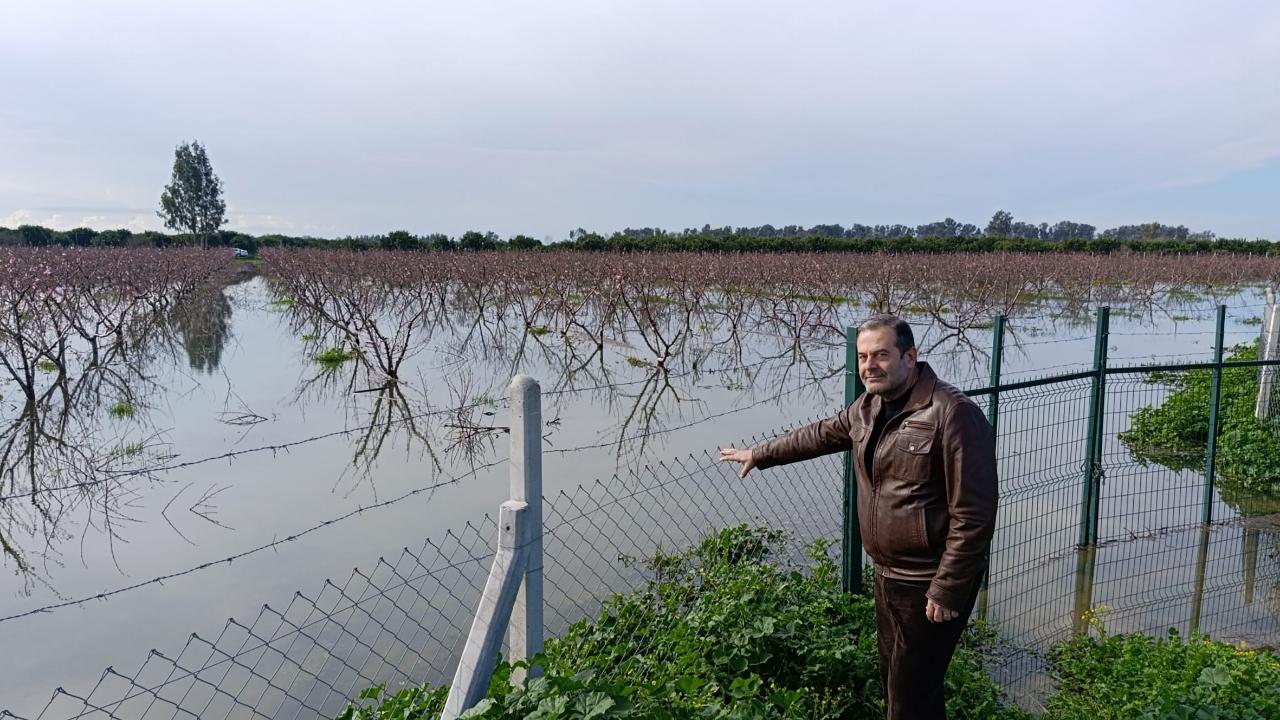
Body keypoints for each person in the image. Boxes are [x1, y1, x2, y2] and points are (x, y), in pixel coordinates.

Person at [719, 314, 997, 719]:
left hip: (928, 581)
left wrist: (947, 587)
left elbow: (974, 513)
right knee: (902, 688)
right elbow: (818, 434)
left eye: (882, 355)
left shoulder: (952, 413)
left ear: (910, 356)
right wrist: (760, 454)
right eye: (864, 356)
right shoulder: (867, 408)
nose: (870, 366)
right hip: (886, 576)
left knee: (907, 700)